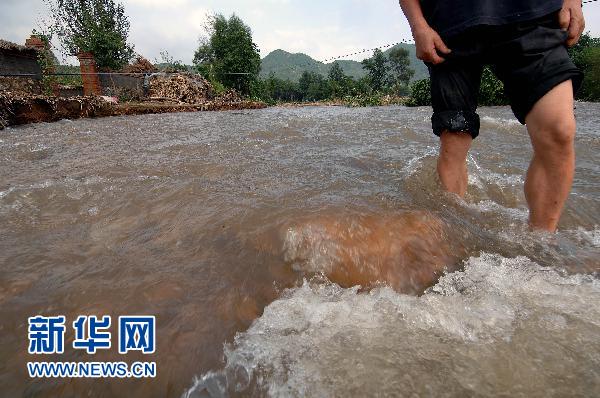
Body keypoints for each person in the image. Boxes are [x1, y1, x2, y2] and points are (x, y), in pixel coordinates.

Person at [399, 0, 585, 232]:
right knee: (454, 140)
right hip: (450, 29)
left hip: (533, 16)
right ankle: (455, 232)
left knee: (559, 129)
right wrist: (418, 26)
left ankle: (541, 243)